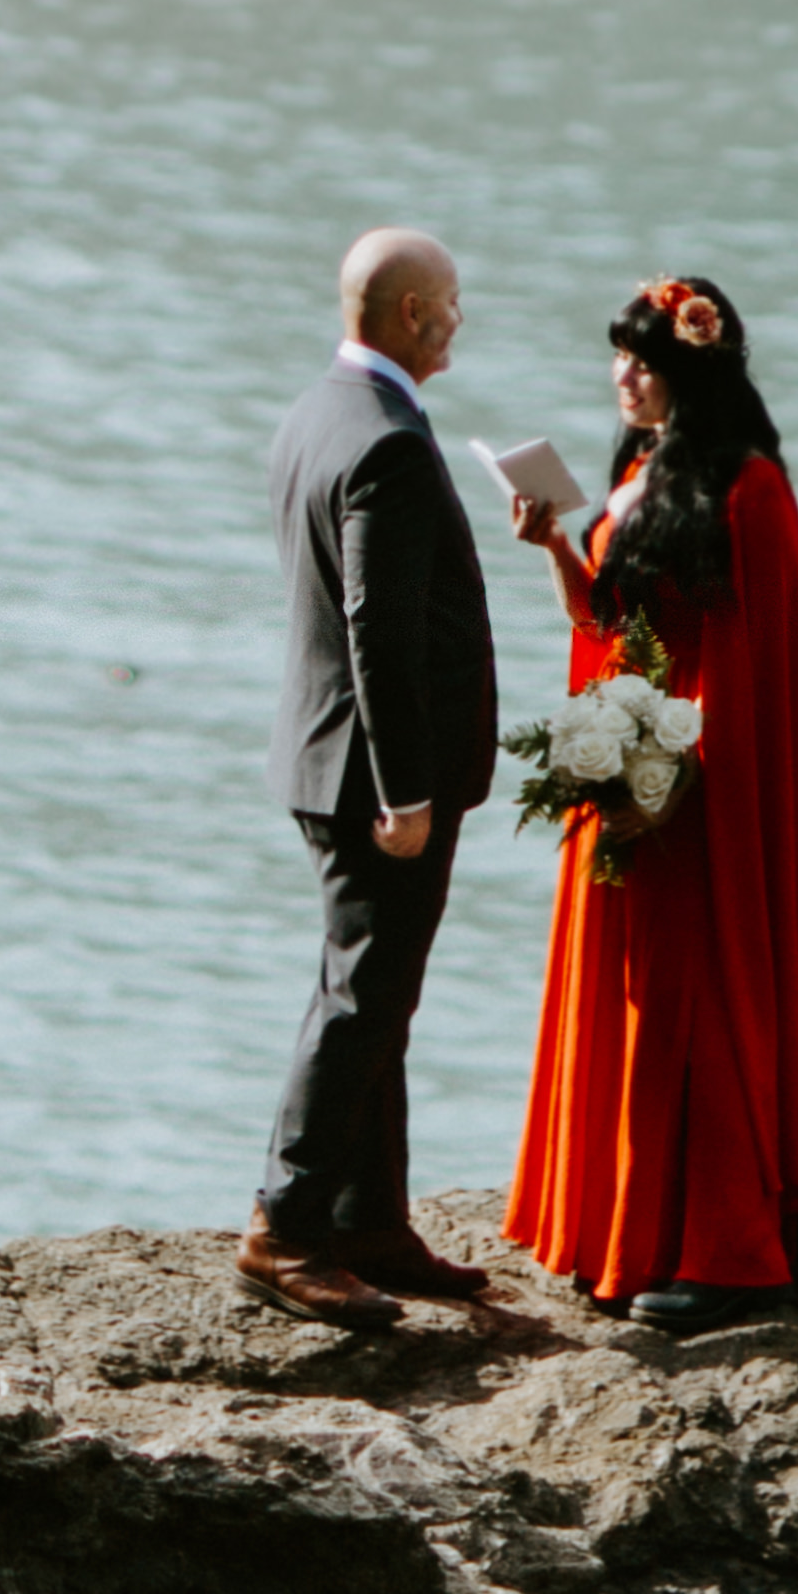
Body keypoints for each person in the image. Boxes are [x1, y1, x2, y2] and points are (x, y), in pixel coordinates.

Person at [499, 270, 798, 1331]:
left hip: (698, 799)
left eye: (645, 358)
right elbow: (608, 621)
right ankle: (618, 1233)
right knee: (632, 1007)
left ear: (695, 363)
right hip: (626, 783)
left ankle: (730, 1252)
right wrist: (555, 542)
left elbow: (749, 667)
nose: (623, 376)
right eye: (619, 355)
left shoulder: (750, 490)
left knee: (692, 1009)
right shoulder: (639, 470)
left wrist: (672, 781)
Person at [242, 224, 506, 1322]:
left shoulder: (317, 408)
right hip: (372, 779)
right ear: (409, 314)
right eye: (449, 301)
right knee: (357, 996)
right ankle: (286, 1227)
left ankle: (370, 1218)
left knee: (378, 992)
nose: (457, 318)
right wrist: (405, 790)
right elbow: (376, 628)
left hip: (320, 753)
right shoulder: (388, 440)